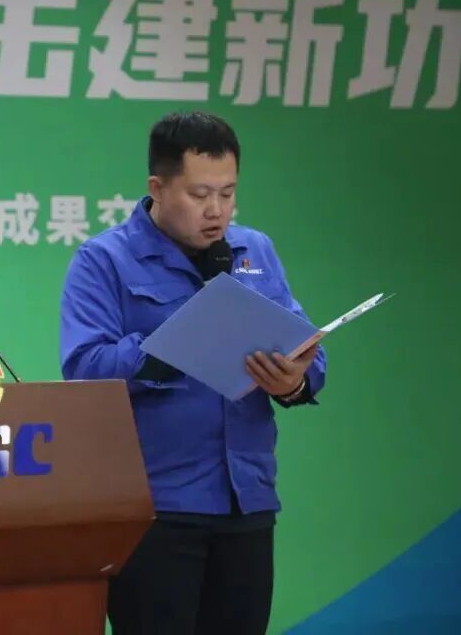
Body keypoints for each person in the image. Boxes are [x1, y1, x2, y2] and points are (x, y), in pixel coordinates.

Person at [59, 111, 326, 635]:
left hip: (246, 500)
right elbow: (85, 369)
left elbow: (308, 352)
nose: (216, 210)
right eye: (200, 194)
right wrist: (180, 336)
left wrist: (292, 380)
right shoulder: (104, 260)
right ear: (157, 188)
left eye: (228, 193)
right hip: (155, 509)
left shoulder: (254, 250)